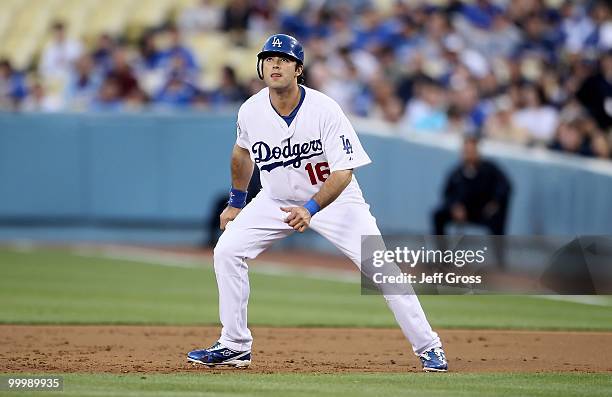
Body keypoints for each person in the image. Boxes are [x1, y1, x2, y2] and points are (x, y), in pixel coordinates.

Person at [186, 34, 448, 372]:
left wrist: (311, 209)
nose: (274, 64)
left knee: (382, 268)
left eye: (283, 59)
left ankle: (429, 347)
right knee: (227, 251)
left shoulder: (324, 109)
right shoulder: (251, 110)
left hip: (335, 201)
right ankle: (234, 345)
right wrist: (236, 201)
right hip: (275, 199)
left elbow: (343, 172)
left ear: (298, 69)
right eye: (268, 58)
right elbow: (241, 153)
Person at [432, 137, 511, 236]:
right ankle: (442, 251)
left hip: (484, 211)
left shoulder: (490, 169)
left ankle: (498, 250)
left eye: (471, 151)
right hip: (464, 211)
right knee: (438, 215)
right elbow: (447, 193)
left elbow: (505, 186)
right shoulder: (457, 172)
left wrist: (495, 202)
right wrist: (454, 206)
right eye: (466, 151)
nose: (469, 155)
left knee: (496, 219)